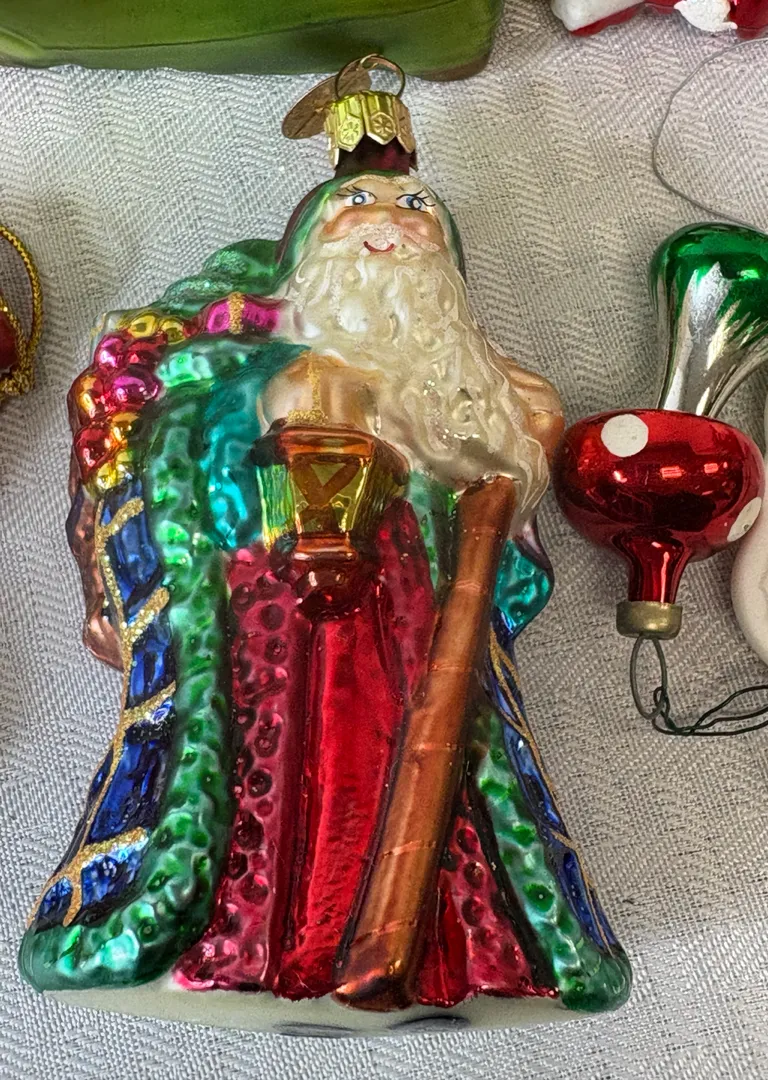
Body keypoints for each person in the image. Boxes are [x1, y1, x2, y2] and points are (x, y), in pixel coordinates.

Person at [20, 64, 631, 1031]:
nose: (388, 222)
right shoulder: (252, 360)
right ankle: (246, 941)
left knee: (442, 772)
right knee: (274, 765)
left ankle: (457, 950)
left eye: (415, 210)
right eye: (355, 205)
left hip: (427, 612)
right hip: (272, 614)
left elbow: (508, 529)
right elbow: (168, 443)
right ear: (311, 250)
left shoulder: (477, 381)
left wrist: (520, 454)